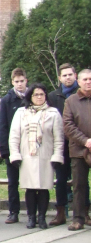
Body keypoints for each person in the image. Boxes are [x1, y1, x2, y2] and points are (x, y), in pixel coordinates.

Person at [8, 83, 63, 230]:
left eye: (42, 94)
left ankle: (42, 217)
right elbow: (14, 136)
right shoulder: (21, 112)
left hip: (46, 156)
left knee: (44, 188)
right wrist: (15, 154)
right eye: (36, 94)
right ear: (30, 96)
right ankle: (31, 217)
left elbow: (59, 138)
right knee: (30, 188)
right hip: (27, 156)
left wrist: (57, 156)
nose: (39, 97)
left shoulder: (53, 113)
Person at [47, 63, 86, 226]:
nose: (68, 78)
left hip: (80, 144)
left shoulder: (83, 94)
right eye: (64, 75)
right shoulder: (53, 96)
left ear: (75, 76)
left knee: (81, 181)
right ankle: (61, 211)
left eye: (70, 74)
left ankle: (84, 213)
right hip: (61, 145)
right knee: (61, 180)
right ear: (59, 78)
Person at [62, 69, 91, 231]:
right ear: (78, 82)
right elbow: (68, 125)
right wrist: (85, 141)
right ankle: (78, 218)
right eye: (85, 79)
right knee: (79, 185)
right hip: (78, 150)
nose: (88, 82)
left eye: (90, 79)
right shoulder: (71, 101)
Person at [0, 68, 28, 224]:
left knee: (31, 180)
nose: (19, 84)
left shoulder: (32, 98)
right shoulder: (7, 100)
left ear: (26, 81)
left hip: (29, 146)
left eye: (22, 81)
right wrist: (5, 149)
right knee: (13, 182)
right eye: (16, 82)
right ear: (12, 82)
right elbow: (3, 126)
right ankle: (13, 211)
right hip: (13, 147)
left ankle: (33, 210)